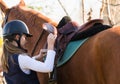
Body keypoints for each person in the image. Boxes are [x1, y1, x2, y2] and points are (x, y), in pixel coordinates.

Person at [0, 20, 57, 84]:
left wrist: (37, 57)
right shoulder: (21, 58)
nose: (26, 41)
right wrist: (50, 45)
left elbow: (21, 66)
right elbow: (48, 68)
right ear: (17, 37)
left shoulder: (7, 59)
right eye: (24, 37)